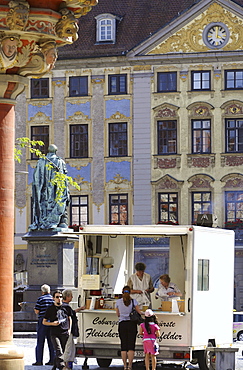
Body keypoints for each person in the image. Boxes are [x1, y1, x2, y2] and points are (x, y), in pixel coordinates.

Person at [29, 144, 70, 231]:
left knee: (44, 203)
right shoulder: (60, 161)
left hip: (43, 190)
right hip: (56, 189)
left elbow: (36, 177)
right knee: (60, 200)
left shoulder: (41, 161)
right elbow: (63, 177)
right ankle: (60, 221)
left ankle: (42, 221)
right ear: (56, 151)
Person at [43, 290, 71, 370]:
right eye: (57, 297)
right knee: (58, 350)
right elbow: (44, 322)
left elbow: (69, 318)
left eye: (60, 297)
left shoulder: (66, 307)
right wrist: (52, 323)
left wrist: (69, 329)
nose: (59, 299)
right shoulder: (50, 308)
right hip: (54, 333)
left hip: (64, 332)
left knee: (64, 351)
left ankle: (55, 366)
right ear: (53, 298)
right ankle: (62, 367)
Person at [116, 285, 142, 370]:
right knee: (131, 346)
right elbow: (139, 312)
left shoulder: (118, 302)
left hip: (122, 324)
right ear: (130, 292)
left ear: (122, 292)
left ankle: (124, 365)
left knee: (123, 346)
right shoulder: (134, 301)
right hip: (131, 324)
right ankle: (130, 365)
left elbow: (118, 314)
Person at [62, 289, 85, 370]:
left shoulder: (64, 306)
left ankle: (67, 365)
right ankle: (66, 366)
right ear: (67, 297)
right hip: (68, 330)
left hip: (67, 330)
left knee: (69, 348)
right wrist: (69, 329)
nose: (72, 297)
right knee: (68, 349)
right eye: (71, 296)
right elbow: (69, 317)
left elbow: (71, 312)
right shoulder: (66, 306)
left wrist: (78, 309)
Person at [32, 284, 55, 366]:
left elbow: (37, 311)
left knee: (40, 341)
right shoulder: (53, 299)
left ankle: (39, 360)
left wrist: (36, 310)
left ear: (42, 291)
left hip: (42, 320)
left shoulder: (40, 299)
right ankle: (52, 360)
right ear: (49, 291)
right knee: (51, 341)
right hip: (51, 321)